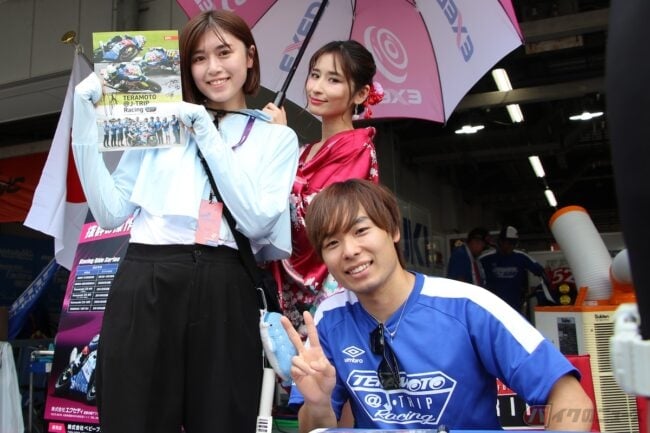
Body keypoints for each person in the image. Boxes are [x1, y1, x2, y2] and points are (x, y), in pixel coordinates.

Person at [71, 9, 299, 433]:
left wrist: (205, 132)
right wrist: (83, 118)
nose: (213, 68)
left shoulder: (276, 137)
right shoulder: (160, 122)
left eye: (224, 52)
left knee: (223, 419)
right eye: (198, 58)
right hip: (146, 279)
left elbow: (256, 221)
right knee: (133, 417)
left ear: (249, 57)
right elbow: (110, 212)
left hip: (224, 284)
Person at [280, 179, 593, 432]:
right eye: (332, 243)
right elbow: (315, 430)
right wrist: (318, 403)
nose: (349, 251)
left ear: (393, 230)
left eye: (361, 231)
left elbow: (572, 399)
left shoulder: (469, 307)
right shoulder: (329, 320)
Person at [273, 40, 383, 336]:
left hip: (332, 288)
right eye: (315, 75)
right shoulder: (302, 152)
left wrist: (281, 144)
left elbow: (323, 217)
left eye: (333, 80)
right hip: (290, 288)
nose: (317, 87)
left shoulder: (357, 148)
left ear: (360, 94)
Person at [480, 225, 550, 314]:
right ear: (500, 241)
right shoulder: (486, 258)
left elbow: (541, 272)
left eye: (514, 243)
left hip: (515, 307)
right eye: (509, 243)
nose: (512, 246)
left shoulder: (521, 257)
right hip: (492, 307)